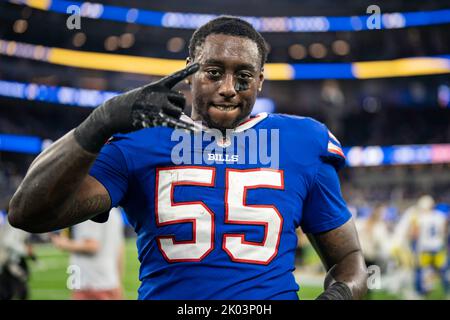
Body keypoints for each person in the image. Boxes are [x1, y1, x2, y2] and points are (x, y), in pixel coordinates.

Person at [8, 16, 367, 300]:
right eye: (213, 72)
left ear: (260, 80)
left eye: (243, 77)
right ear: (190, 70)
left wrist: (335, 297)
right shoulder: (140, 142)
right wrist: (99, 122)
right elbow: (27, 212)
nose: (228, 88)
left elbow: (351, 263)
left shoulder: (303, 141)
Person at [51, 207, 125, 300]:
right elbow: (119, 250)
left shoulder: (89, 212)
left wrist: (64, 243)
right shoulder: (115, 212)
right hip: (109, 281)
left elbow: (92, 245)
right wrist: (118, 282)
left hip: (90, 282)